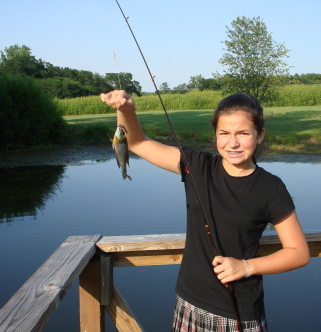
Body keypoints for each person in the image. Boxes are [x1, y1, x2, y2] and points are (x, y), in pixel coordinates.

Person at [100, 90, 310, 332]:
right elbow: (136, 142)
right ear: (215, 136)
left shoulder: (271, 188)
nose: (233, 143)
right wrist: (125, 109)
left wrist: (247, 267)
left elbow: (298, 252)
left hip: (239, 314)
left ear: (260, 135)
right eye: (224, 133)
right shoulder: (197, 166)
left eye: (243, 133)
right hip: (189, 303)